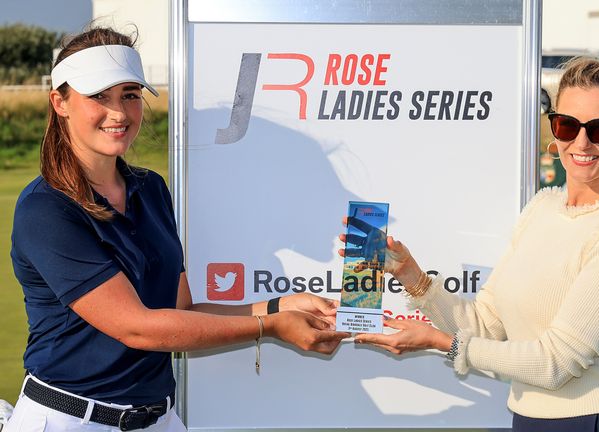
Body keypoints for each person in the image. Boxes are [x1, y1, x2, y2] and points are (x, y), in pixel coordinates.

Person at [6, 26, 349, 432]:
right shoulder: (45, 209)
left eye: (130, 95)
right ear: (60, 102)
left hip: (159, 420)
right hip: (71, 420)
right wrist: (269, 326)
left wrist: (279, 307)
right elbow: (137, 327)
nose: (118, 113)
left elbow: (180, 311)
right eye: (99, 96)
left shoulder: (150, 189)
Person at [348, 54, 599, 431]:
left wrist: (440, 343)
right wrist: (409, 274)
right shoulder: (543, 208)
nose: (581, 142)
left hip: (594, 420)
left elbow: (555, 364)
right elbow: (485, 324)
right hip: (527, 419)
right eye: (567, 125)